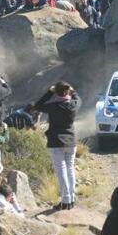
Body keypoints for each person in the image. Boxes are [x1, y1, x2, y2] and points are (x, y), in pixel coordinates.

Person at [33, 81, 80, 210]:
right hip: (71, 141)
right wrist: (72, 90)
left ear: (56, 93)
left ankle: (65, 201)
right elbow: (78, 98)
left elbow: (37, 106)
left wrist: (49, 92)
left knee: (62, 171)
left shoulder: (53, 106)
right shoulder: (73, 105)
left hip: (56, 142)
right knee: (70, 169)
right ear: (67, 92)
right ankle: (71, 198)